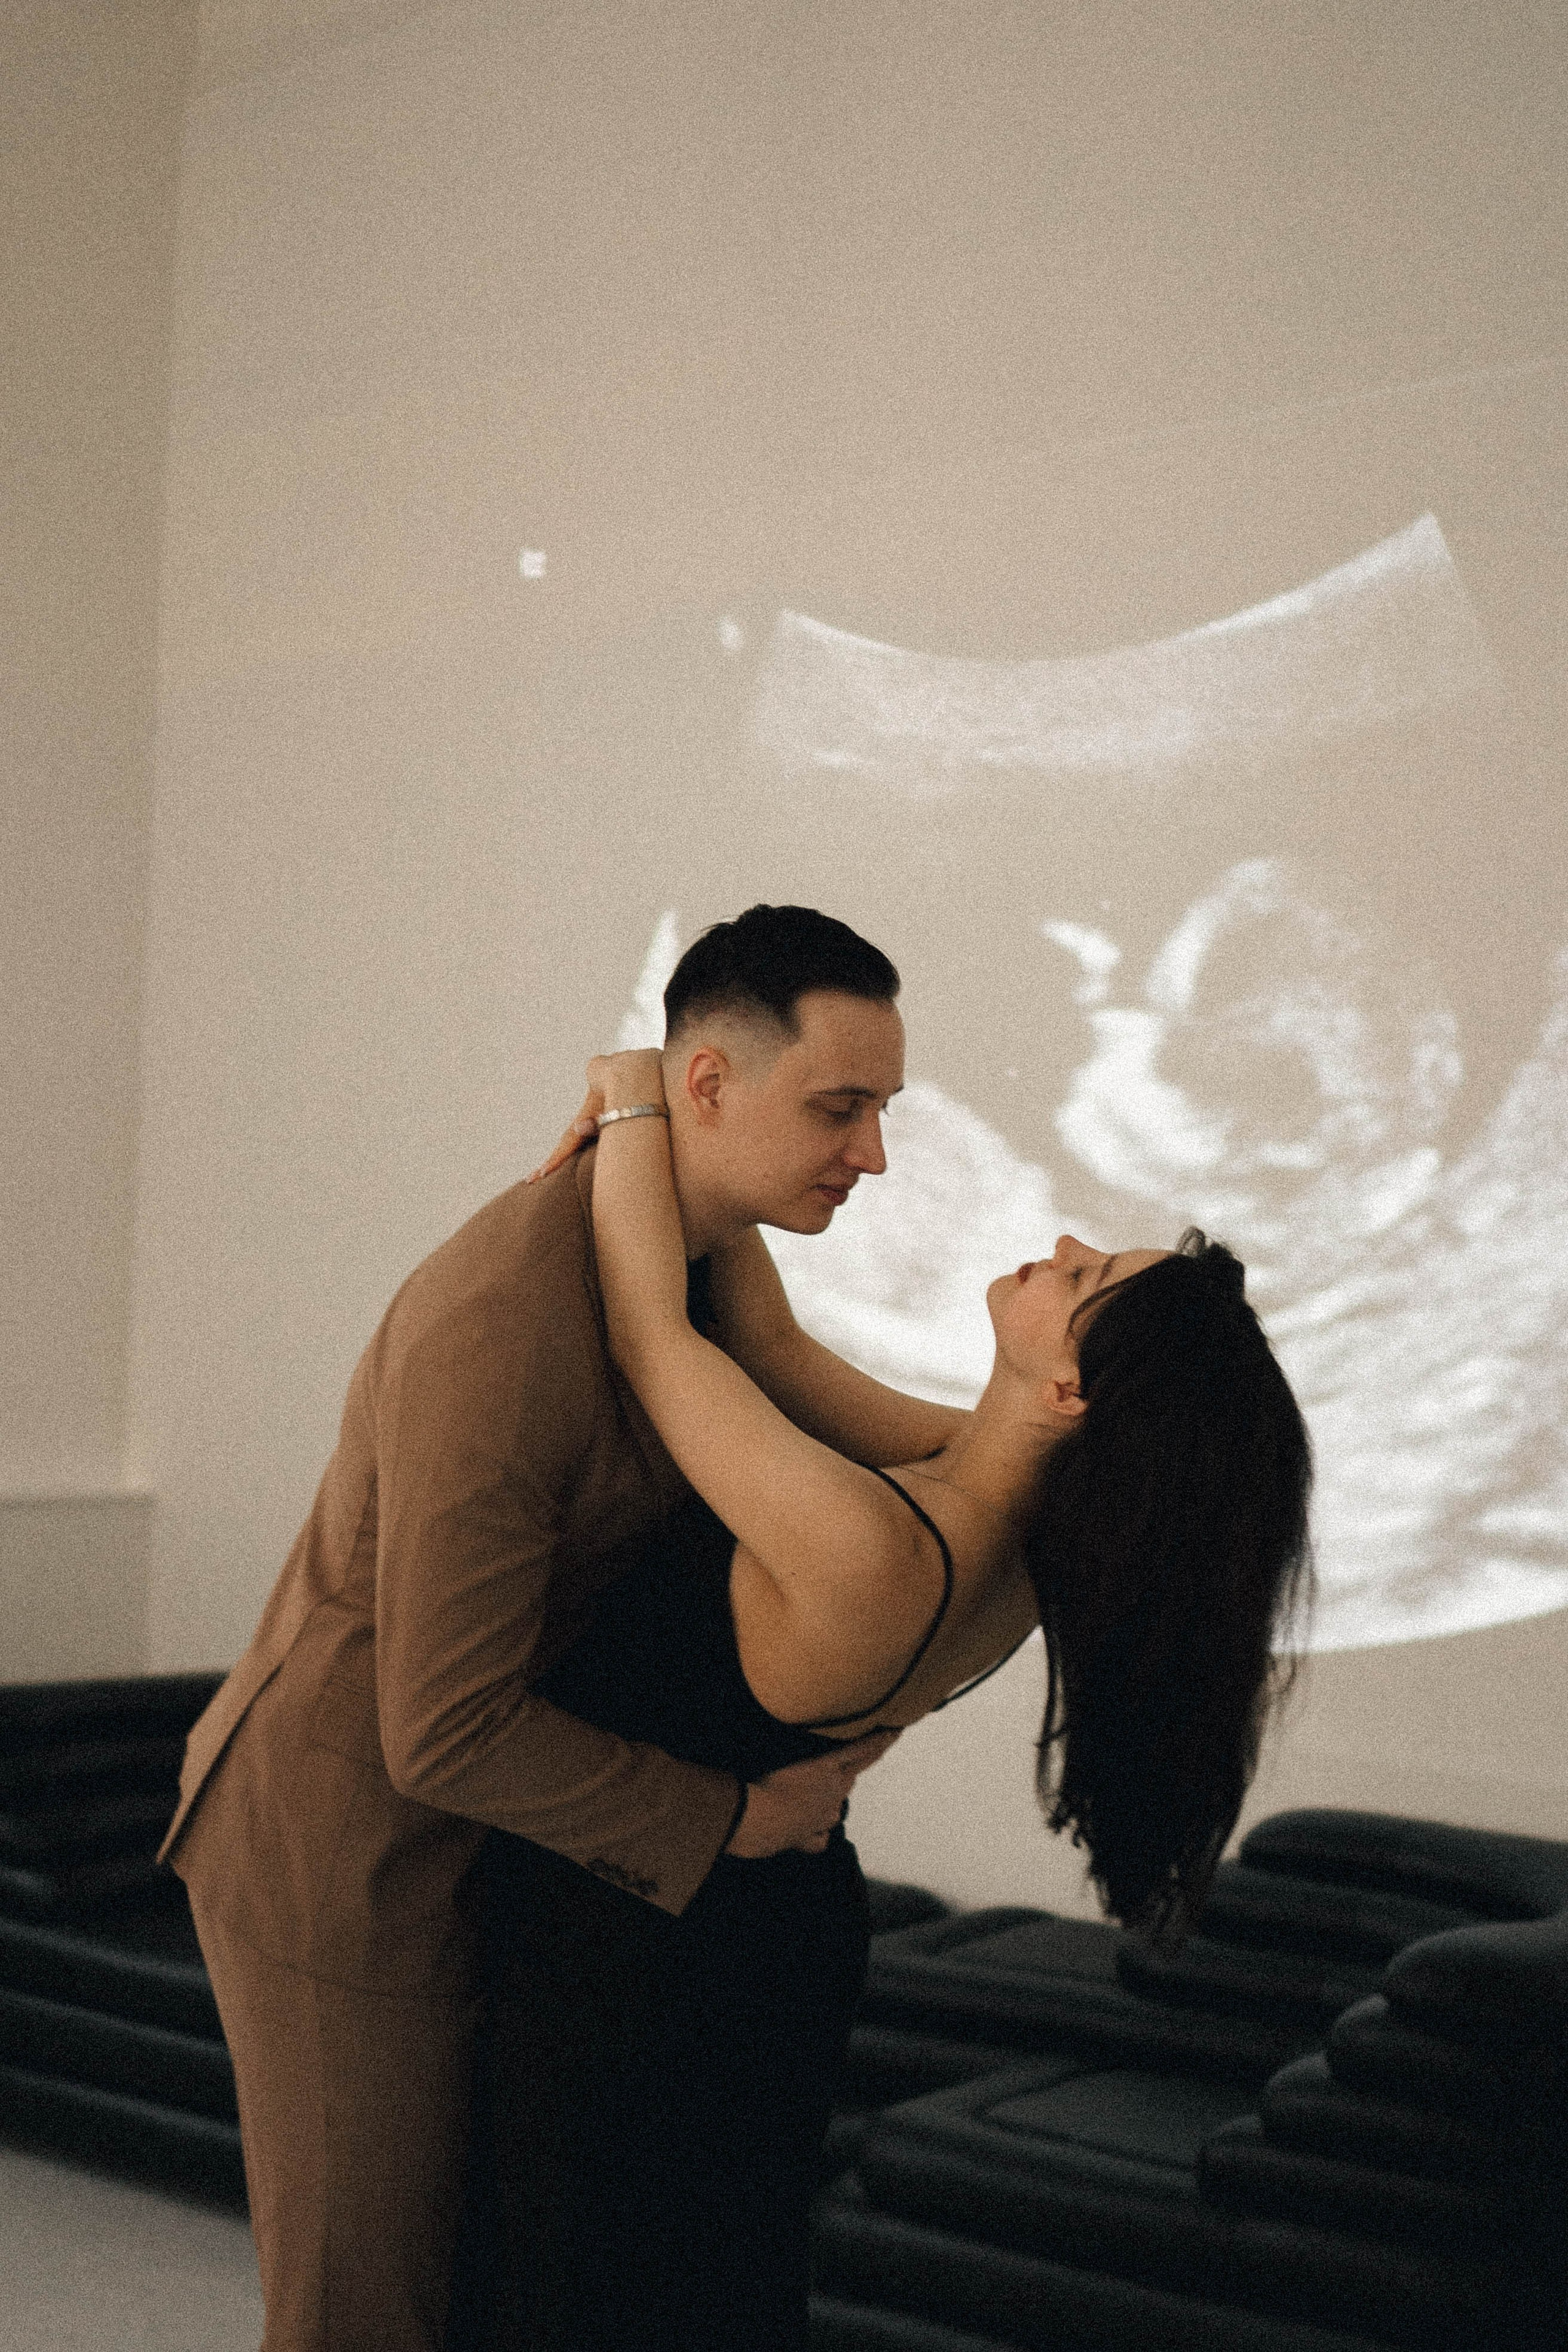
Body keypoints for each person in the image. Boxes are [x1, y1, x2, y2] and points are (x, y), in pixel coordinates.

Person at [159, 907, 954, 2352]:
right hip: (341, 1852)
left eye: (882, 1110)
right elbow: (441, 1725)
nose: (872, 1155)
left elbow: (893, 1462)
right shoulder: (512, 1316)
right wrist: (730, 1817)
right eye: (839, 1109)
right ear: (706, 1085)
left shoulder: (706, 1267)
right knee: (365, 2315)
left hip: (494, 1846)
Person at [455, 1042, 1314, 2351]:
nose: (1064, 1242)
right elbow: (767, 1339)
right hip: (745, 1930)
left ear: (1074, 1390)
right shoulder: (994, 1504)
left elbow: (652, 1335)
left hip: (658, 1967)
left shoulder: (874, 1551)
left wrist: (634, 1085)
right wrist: (721, 1139)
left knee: (591, 2307)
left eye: (1084, 1276)